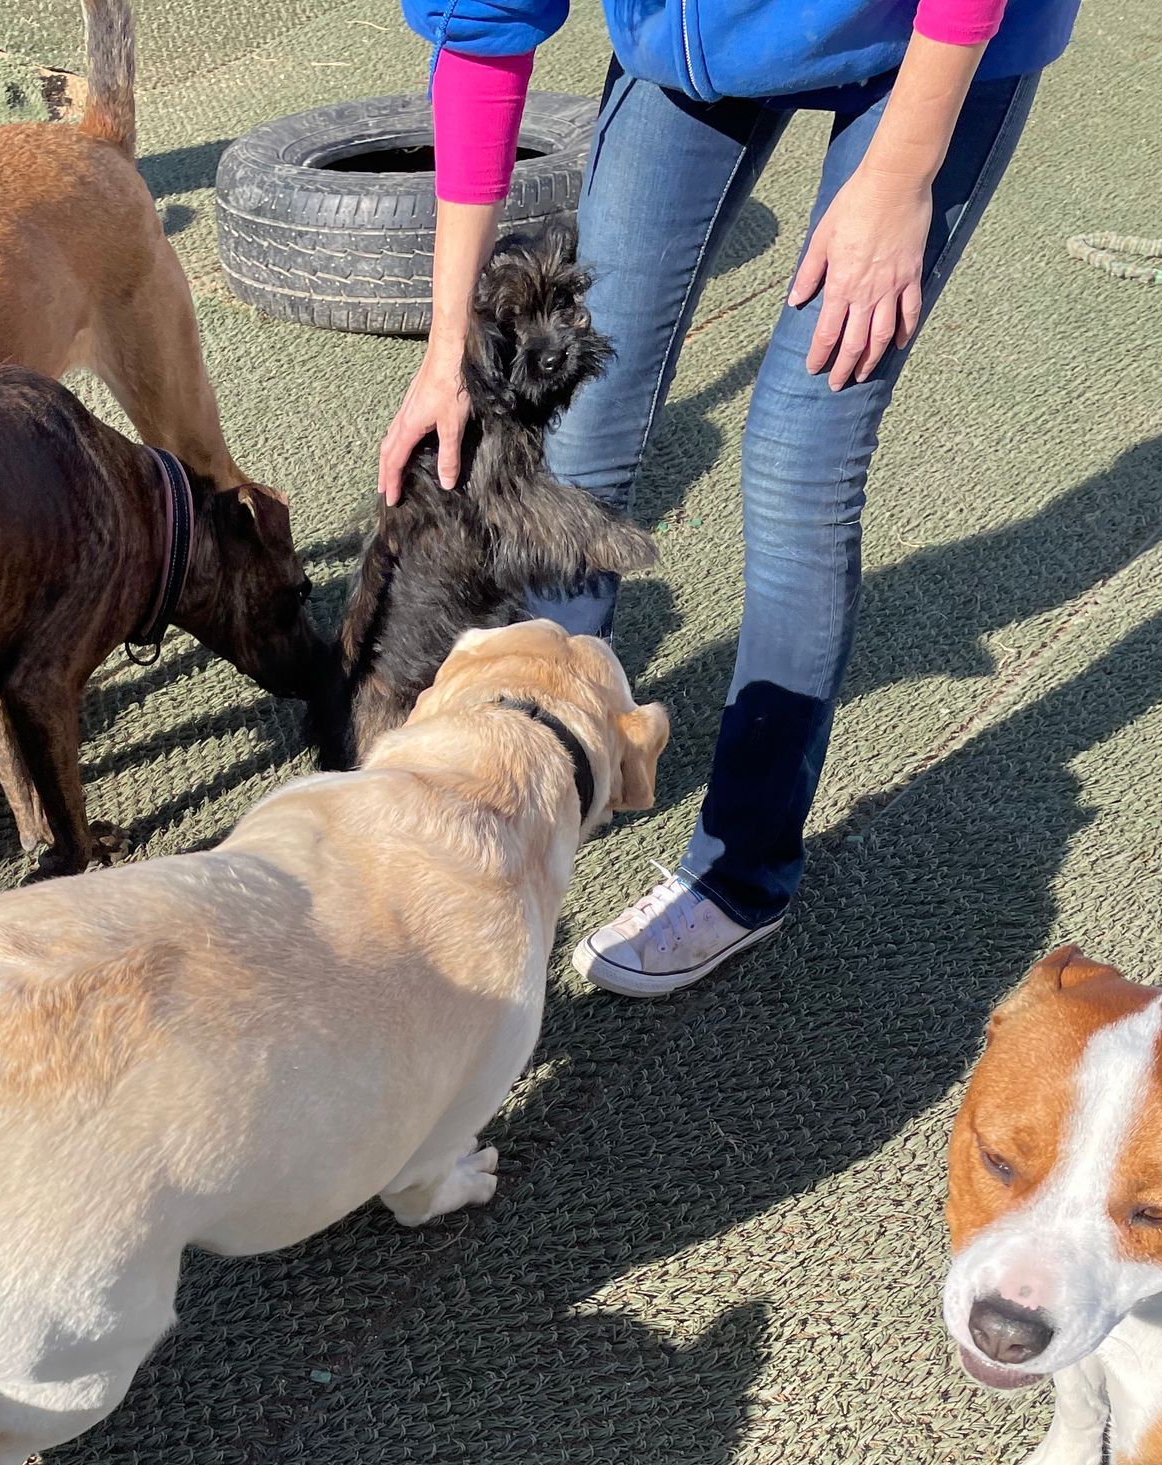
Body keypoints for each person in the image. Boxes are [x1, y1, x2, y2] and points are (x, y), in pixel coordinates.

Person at [381, 0, 1077, 996]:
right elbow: (485, 30)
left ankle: (741, 874)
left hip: (929, 43)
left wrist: (898, 180)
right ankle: (536, 778)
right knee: (579, 427)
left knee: (799, 457)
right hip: (697, 36)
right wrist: (450, 342)